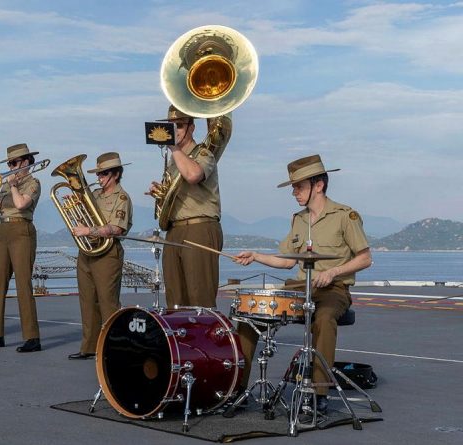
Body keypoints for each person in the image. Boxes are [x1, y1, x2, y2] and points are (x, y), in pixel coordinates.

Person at [233, 154, 372, 413]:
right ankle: (237, 389)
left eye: (299, 186)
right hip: (300, 287)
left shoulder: (345, 215)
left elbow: (365, 258)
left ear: (318, 185)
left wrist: (334, 272)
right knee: (250, 312)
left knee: (324, 317)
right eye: (294, 187)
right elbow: (287, 262)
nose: (294, 192)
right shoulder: (298, 219)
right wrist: (255, 256)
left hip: (333, 289)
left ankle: (318, 393)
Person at [147, 104, 231, 308]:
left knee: (199, 298)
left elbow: (193, 175)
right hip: (174, 230)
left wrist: (174, 147)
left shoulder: (204, 153)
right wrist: (160, 194)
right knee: (175, 300)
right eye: (171, 126)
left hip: (199, 228)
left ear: (192, 128)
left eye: (180, 126)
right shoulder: (174, 161)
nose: (175, 130)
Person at [0, 143, 42, 352]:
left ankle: (32, 337)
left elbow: (21, 204)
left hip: (22, 230)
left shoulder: (33, 182)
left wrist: (13, 185)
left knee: (23, 285)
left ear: (26, 162)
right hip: (3, 232)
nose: (11, 167)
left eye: (14, 163)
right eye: (10, 163)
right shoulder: (4, 186)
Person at [68, 152, 132, 360]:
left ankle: (114, 348)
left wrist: (88, 231)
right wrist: (75, 207)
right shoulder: (94, 194)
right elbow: (82, 218)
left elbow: (117, 228)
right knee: (87, 301)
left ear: (116, 174)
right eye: (99, 174)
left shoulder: (122, 198)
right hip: (87, 251)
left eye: (104, 174)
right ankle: (89, 346)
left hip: (107, 253)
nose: (100, 178)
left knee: (108, 303)